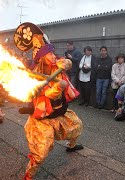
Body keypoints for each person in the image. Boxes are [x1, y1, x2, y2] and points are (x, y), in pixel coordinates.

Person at [24, 44, 83, 179]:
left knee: (77, 125)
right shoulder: (36, 74)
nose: (53, 56)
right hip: (43, 117)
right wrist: (58, 87)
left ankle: (71, 146)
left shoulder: (57, 65)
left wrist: (67, 63)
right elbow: (49, 94)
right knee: (42, 151)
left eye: (53, 53)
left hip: (58, 112)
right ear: (43, 57)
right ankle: (28, 175)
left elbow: (67, 62)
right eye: (50, 54)